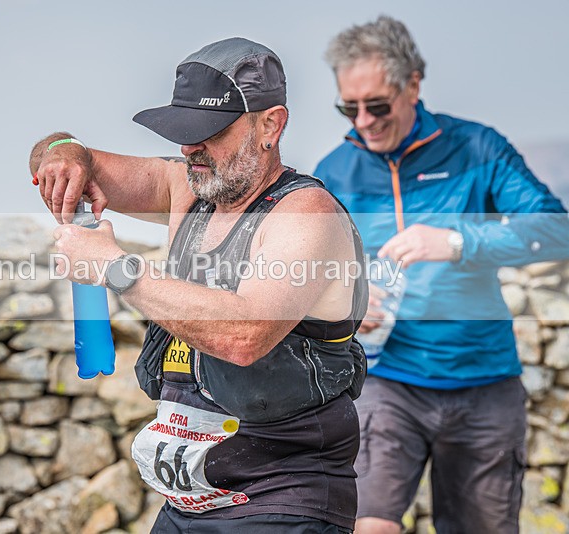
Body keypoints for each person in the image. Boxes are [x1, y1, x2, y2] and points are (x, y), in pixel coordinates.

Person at [30, 38, 368, 533]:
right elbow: (71, 156)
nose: (189, 148)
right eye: (182, 132)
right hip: (188, 509)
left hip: (281, 504)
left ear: (270, 125)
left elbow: (244, 334)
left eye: (207, 131)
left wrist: (117, 268)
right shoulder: (185, 189)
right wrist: (61, 154)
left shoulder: (306, 215)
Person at [314, 15, 569, 534]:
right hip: (385, 383)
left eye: (377, 105)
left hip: (484, 383)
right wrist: (340, 306)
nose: (362, 120)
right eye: (349, 106)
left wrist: (457, 243)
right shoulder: (333, 170)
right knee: (366, 527)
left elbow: (556, 230)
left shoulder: (477, 148)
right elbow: (308, 271)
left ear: (413, 84)